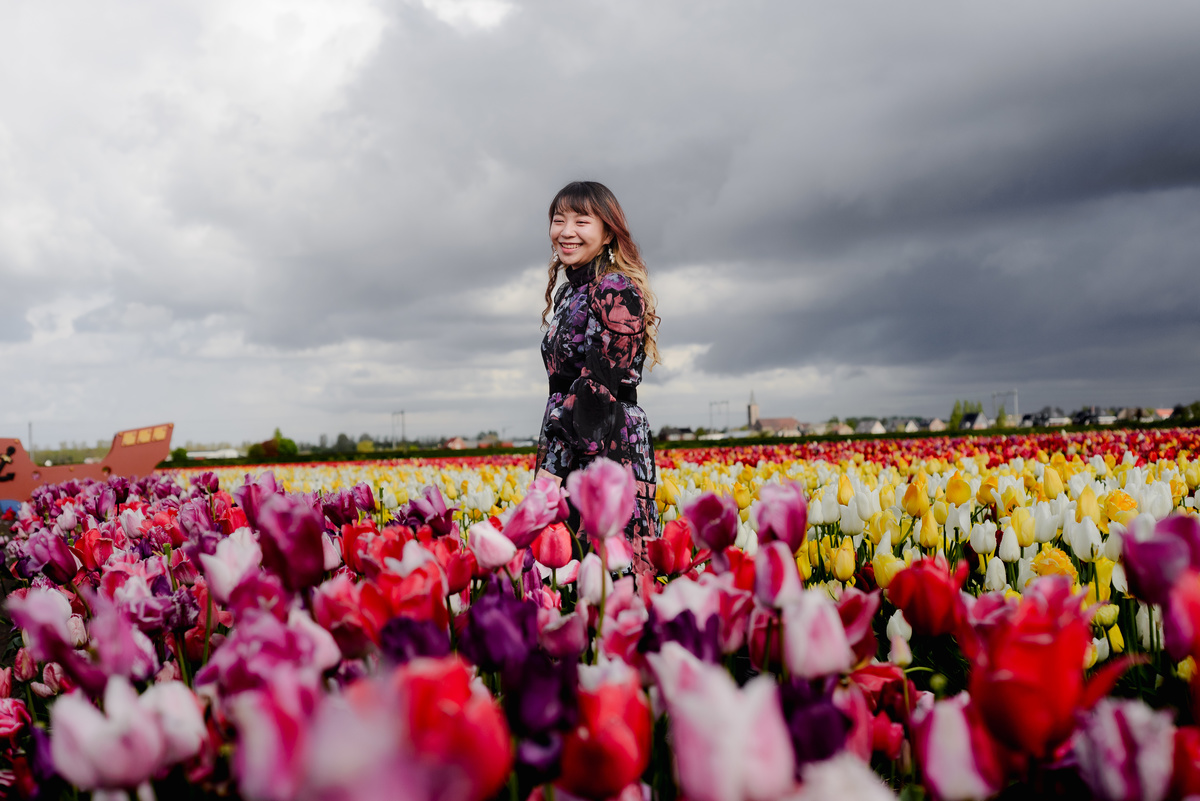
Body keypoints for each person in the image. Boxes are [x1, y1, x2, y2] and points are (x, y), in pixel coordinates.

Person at [535, 181, 661, 577]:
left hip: (606, 443)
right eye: (559, 220)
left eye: (581, 221)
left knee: (611, 572)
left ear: (608, 231)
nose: (566, 231)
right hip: (570, 436)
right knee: (569, 572)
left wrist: (553, 467)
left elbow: (598, 387)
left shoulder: (616, 289)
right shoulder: (570, 292)